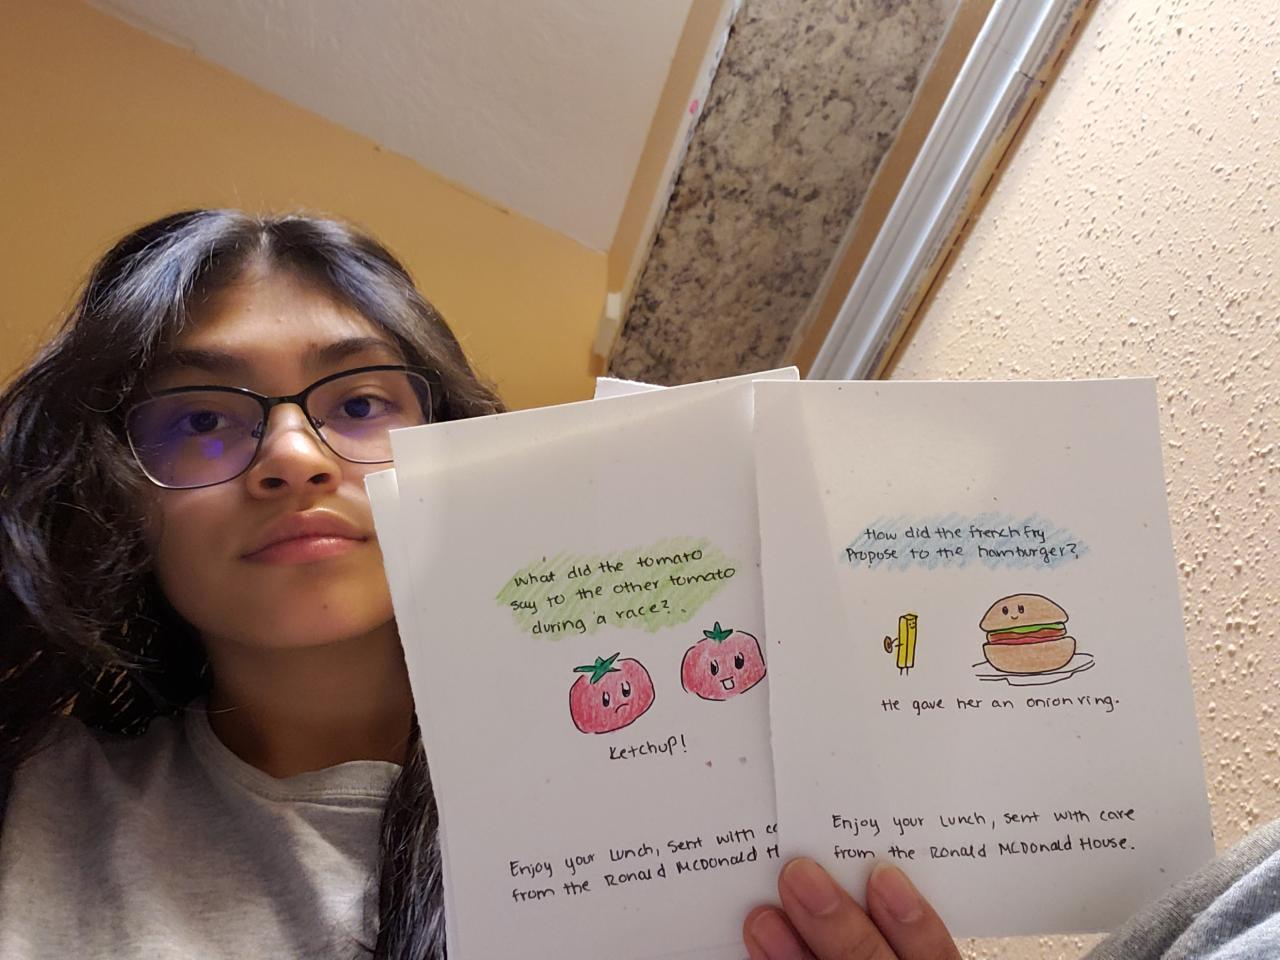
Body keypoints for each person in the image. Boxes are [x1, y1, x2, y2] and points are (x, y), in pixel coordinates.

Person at [0, 209, 1273, 960]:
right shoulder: (35, 806)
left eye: (361, 403)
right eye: (199, 420)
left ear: (453, 444)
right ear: (113, 488)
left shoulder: (694, 798)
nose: (292, 456)